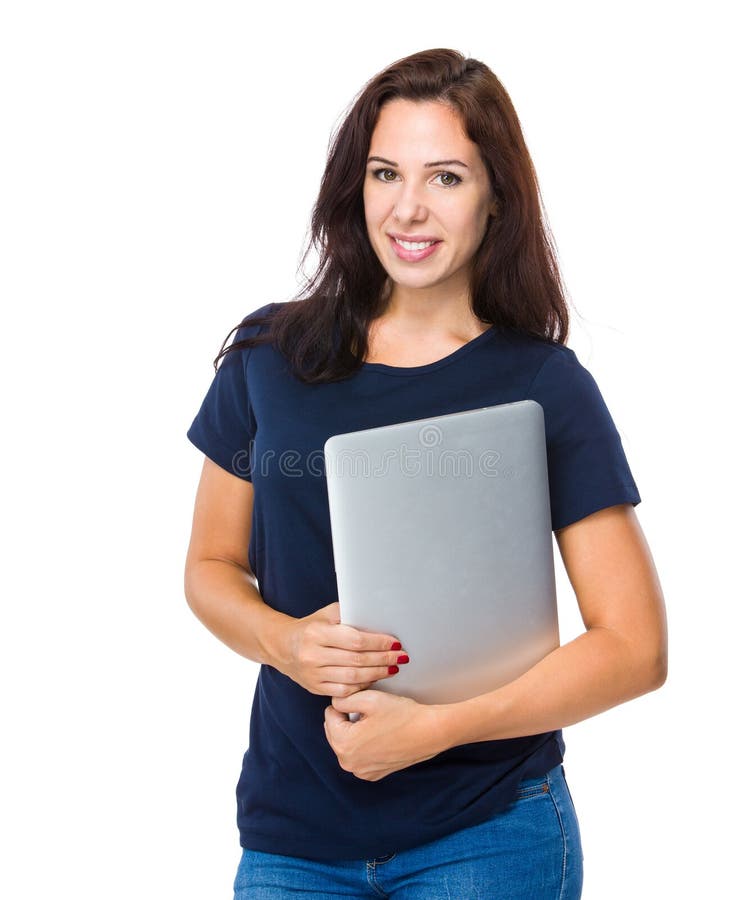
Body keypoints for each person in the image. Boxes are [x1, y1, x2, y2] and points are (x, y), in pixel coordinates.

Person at [184, 48, 668, 900]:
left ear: (495, 197)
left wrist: (437, 729)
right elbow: (210, 567)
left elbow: (634, 647)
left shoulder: (543, 385)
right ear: (356, 186)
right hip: (290, 837)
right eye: (385, 173)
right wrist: (285, 644)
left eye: (445, 177)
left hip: (488, 834)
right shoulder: (269, 355)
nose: (408, 207)